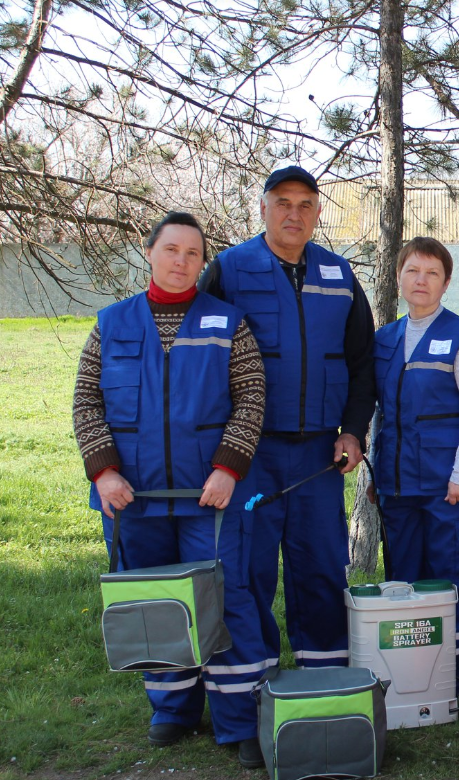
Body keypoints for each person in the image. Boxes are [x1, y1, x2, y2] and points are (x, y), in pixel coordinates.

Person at [73, 212, 267, 767]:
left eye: (193, 254)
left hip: (210, 498)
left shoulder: (230, 324)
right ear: (149, 250)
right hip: (133, 498)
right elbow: (87, 403)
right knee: (155, 607)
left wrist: (228, 468)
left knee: (225, 601)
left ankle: (239, 717)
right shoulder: (110, 324)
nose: (182, 262)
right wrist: (104, 470)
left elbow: (251, 400)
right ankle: (172, 708)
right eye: (172, 250)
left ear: (203, 263)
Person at [200, 166, 376, 672]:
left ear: (318, 213)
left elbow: (362, 362)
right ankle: (250, 683)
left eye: (304, 204)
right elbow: (202, 357)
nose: (293, 214)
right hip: (250, 454)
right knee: (246, 569)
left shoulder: (340, 276)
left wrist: (352, 429)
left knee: (321, 566)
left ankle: (324, 682)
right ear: (262, 208)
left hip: (319, 457)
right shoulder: (229, 271)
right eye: (282, 202)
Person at [367, 237, 459, 687]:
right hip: (398, 485)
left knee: (451, 576)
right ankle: (409, 672)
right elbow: (381, 410)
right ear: (398, 277)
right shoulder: (385, 339)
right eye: (413, 271)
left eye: (432, 273)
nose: (421, 281)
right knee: (404, 579)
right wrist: (378, 473)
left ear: (446, 282)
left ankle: (454, 675)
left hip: (448, 485)